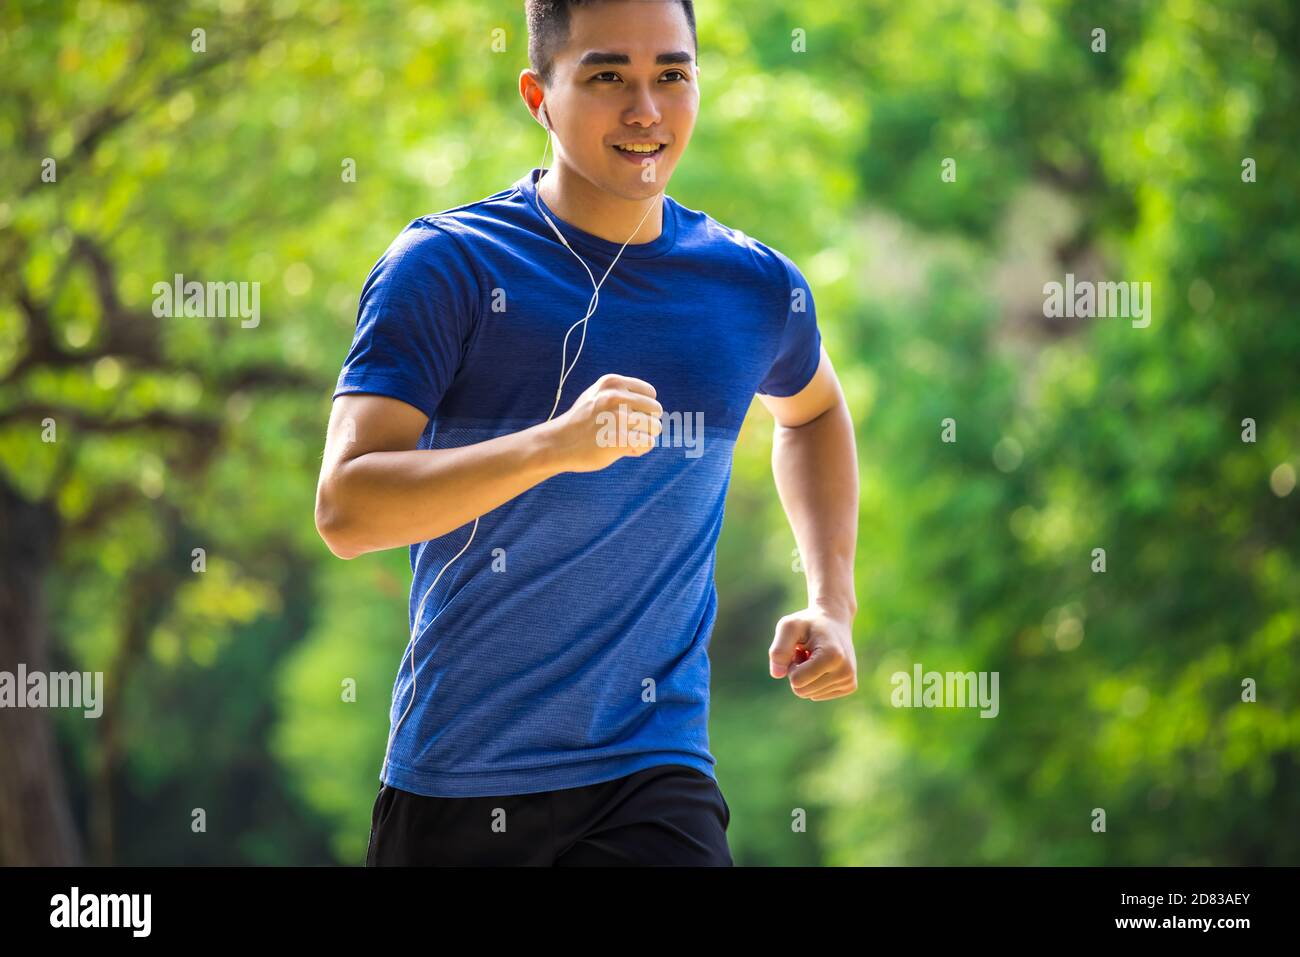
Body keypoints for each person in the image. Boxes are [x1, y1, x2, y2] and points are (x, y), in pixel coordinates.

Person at [315, 0, 860, 866]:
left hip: (654, 773)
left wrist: (832, 599)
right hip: (458, 779)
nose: (646, 109)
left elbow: (816, 410)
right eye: (608, 76)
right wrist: (551, 446)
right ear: (539, 95)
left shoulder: (752, 288)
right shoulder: (447, 265)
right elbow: (347, 508)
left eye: (672, 76)